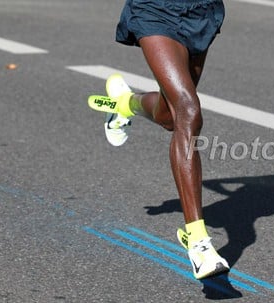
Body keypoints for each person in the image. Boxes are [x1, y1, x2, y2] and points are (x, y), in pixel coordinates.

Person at [88, 0, 228, 279]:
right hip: (155, 10)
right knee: (188, 110)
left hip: (201, 11)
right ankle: (198, 243)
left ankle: (124, 103)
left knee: (169, 116)